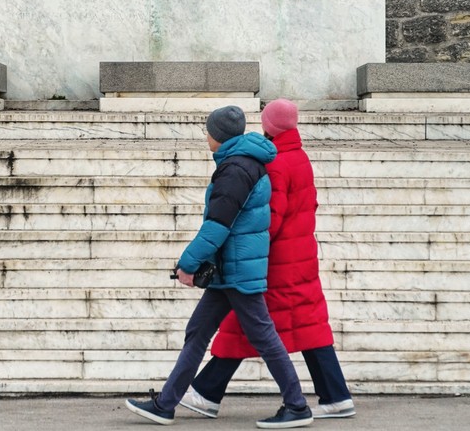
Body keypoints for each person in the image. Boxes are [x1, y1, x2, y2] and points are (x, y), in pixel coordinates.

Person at [125, 105, 313, 429]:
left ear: (219, 135)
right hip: (229, 271)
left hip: (238, 273)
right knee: (197, 332)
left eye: (208, 131)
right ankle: (165, 405)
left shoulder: (236, 169)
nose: (206, 136)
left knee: (264, 337)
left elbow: (217, 225)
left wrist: (187, 264)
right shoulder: (242, 163)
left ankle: (297, 405)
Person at [180, 99, 355, 420]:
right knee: (306, 323)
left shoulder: (276, 163)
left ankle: (207, 392)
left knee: (245, 325)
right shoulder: (299, 157)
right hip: (300, 255)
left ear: (269, 125)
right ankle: (335, 395)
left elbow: (267, 220)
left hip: (277, 259)